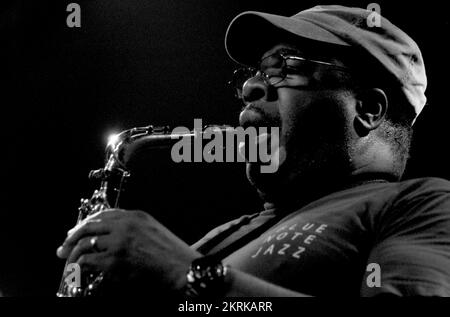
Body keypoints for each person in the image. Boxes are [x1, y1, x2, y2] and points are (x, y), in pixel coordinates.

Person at [57, 5, 450, 297]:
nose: (250, 88)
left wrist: (187, 272)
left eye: (283, 68)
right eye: (255, 74)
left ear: (367, 110)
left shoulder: (421, 204)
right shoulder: (223, 235)